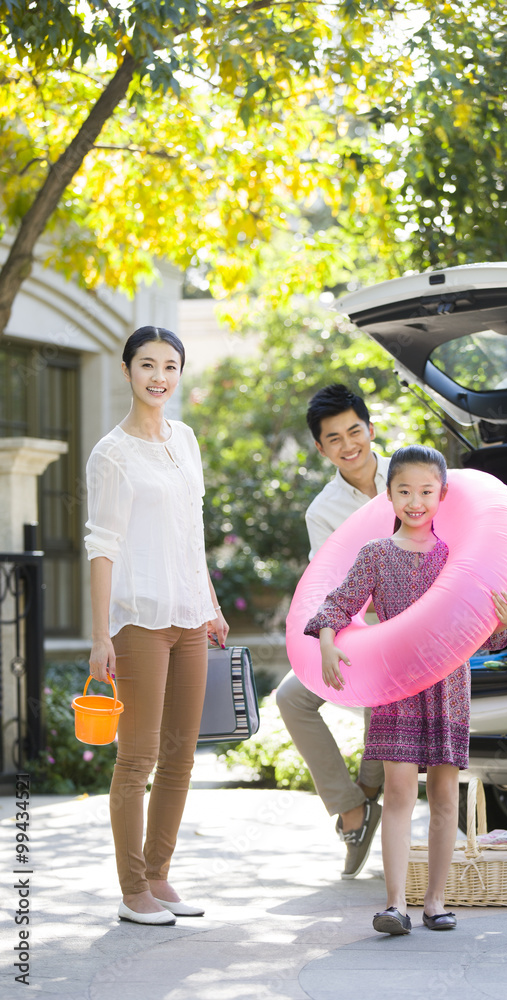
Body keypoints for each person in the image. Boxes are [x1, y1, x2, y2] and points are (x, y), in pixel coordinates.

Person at [305, 445, 507, 935]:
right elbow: (337, 605)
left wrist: (505, 624)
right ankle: (395, 904)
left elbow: (481, 630)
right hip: (396, 685)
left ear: (443, 495)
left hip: (448, 686)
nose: (415, 501)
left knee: (445, 795)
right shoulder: (376, 554)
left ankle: (436, 901)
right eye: (404, 491)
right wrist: (327, 643)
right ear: (389, 496)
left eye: (426, 491)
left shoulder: (456, 557)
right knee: (400, 792)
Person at [85, 325, 229, 926]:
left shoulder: (186, 439)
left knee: (180, 755)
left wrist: (212, 603)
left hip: (190, 615)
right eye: (148, 365)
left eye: (170, 366)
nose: (160, 377)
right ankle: (132, 890)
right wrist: (101, 638)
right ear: (127, 371)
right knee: (137, 757)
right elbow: (102, 546)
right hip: (138, 620)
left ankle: (160, 875)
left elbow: (190, 532)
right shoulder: (111, 453)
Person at [276, 384, 387, 879]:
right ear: (321, 449)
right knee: (290, 699)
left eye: (355, 431)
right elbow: (331, 584)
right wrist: (333, 636)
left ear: (369, 428)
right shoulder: (322, 510)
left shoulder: (412, 473)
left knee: (384, 705)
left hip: (423, 625)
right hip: (359, 629)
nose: (349, 445)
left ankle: (363, 800)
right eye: (334, 438)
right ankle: (351, 809)